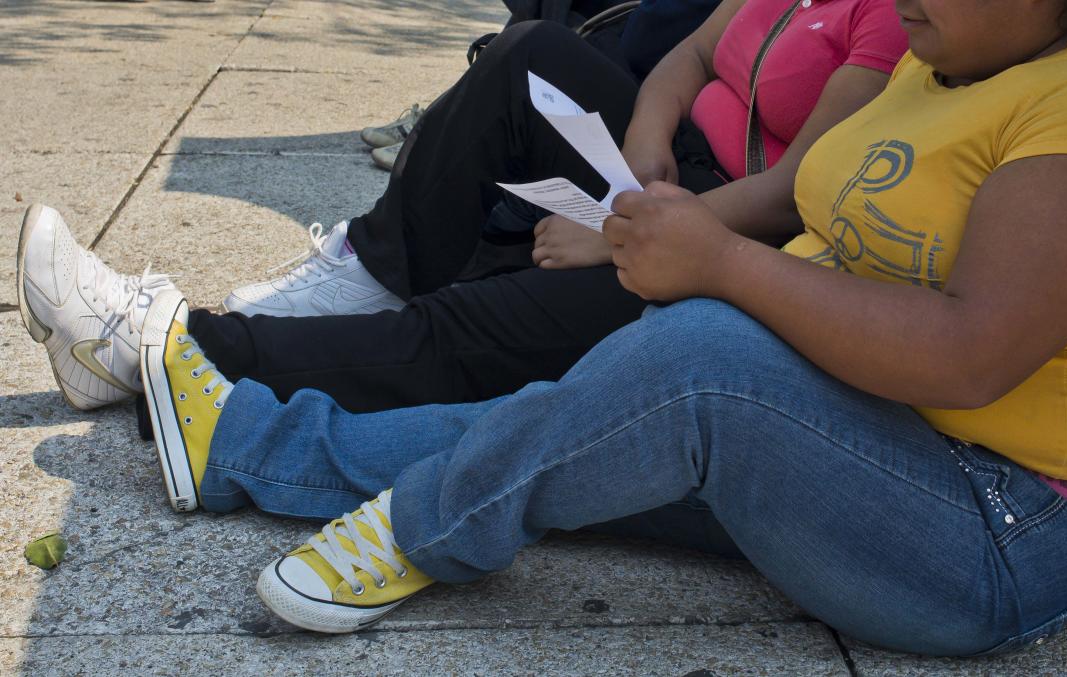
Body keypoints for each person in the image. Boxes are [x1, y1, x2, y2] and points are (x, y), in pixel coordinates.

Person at [127, 0, 1067, 656]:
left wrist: (725, 265)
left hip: (998, 530)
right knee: (574, 418)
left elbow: (967, 353)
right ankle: (241, 442)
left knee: (700, 354)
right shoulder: (954, 54)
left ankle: (422, 528)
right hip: (868, 435)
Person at [17, 0, 907, 422]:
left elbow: (804, 190)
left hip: (752, 241)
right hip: (680, 182)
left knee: (476, 321)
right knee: (531, 54)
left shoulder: (901, 16)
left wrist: (623, 231)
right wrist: (642, 152)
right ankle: (367, 273)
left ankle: (168, 352)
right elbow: (688, 58)